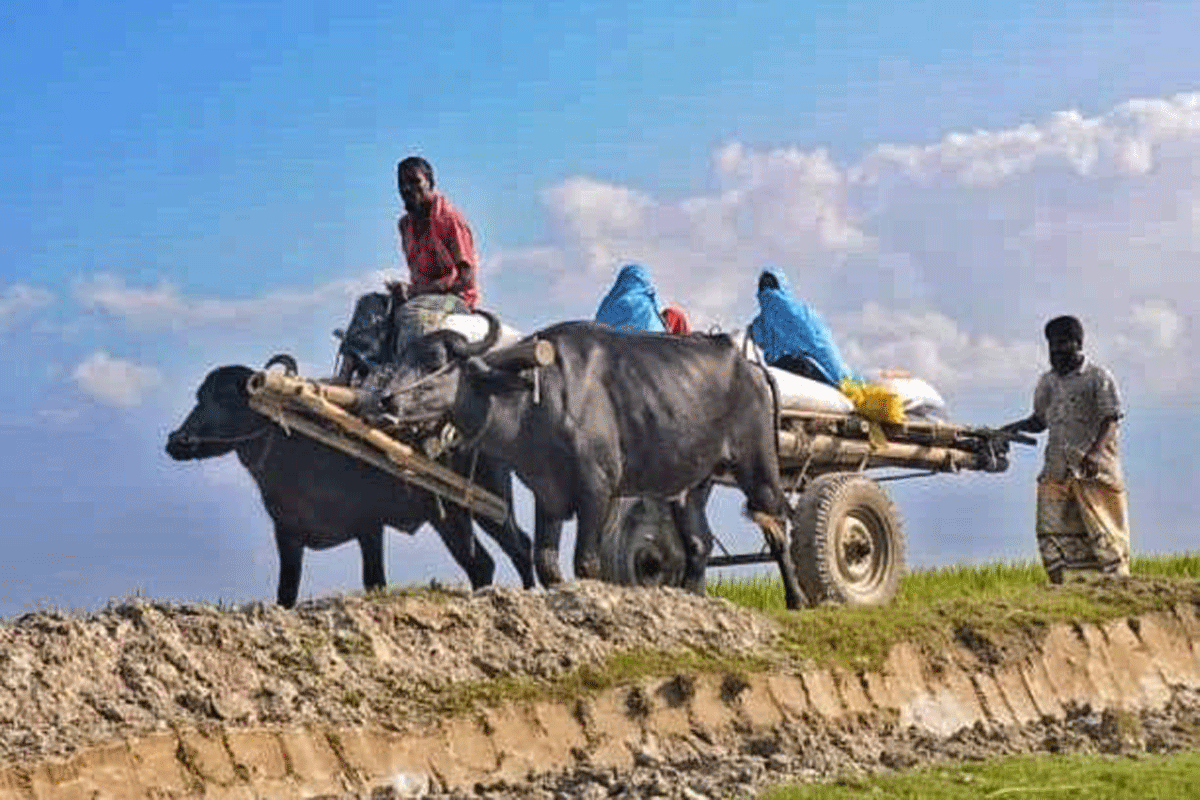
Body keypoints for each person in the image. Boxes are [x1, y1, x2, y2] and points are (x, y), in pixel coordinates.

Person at [1002, 315, 1130, 584]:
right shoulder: (1047, 382)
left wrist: (1095, 453)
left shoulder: (1098, 377)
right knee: (1051, 533)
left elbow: (1111, 418)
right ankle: (1066, 587)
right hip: (1057, 471)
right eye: (1052, 345)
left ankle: (1116, 586)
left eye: (1063, 344)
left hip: (1093, 472)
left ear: (1078, 343)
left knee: (1104, 534)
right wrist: (1009, 429)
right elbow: (1039, 421)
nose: (1056, 351)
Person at [335, 156, 479, 383]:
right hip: (419, 296)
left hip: (455, 300)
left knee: (412, 315)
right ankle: (345, 377)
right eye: (402, 183)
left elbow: (467, 280)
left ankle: (400, 382)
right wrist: (405, 291)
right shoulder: (405, 225)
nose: (407, 188)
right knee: (369, 303)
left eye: (414, 181)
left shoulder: (449, 220)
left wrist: (417, 291)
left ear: (430, 182)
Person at [749, 267, 858, 386]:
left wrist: (842, 379)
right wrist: (843, 380)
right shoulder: (803, 315)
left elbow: (823, 347)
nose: (767, 291)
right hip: (796, 370)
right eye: (764, 286)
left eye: (770, 285)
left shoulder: (761, 323)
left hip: (797, 369)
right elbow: (826, 349)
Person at [594, 263, 668, 333]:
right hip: (650, 343)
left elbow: (598, 324)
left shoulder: (608, 304)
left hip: (608, 343)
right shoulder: (649, 303)